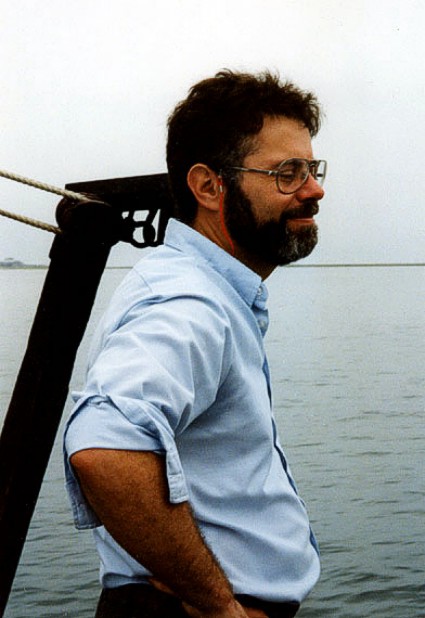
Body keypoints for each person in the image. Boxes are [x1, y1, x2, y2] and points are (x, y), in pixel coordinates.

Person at [64, 69, 327, 618]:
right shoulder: (191, 303)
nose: (314, 190)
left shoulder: (208, 290)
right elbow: (104, 450)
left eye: (312, 169)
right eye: (287, 173)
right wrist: (218, 605)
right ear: (208, 187)